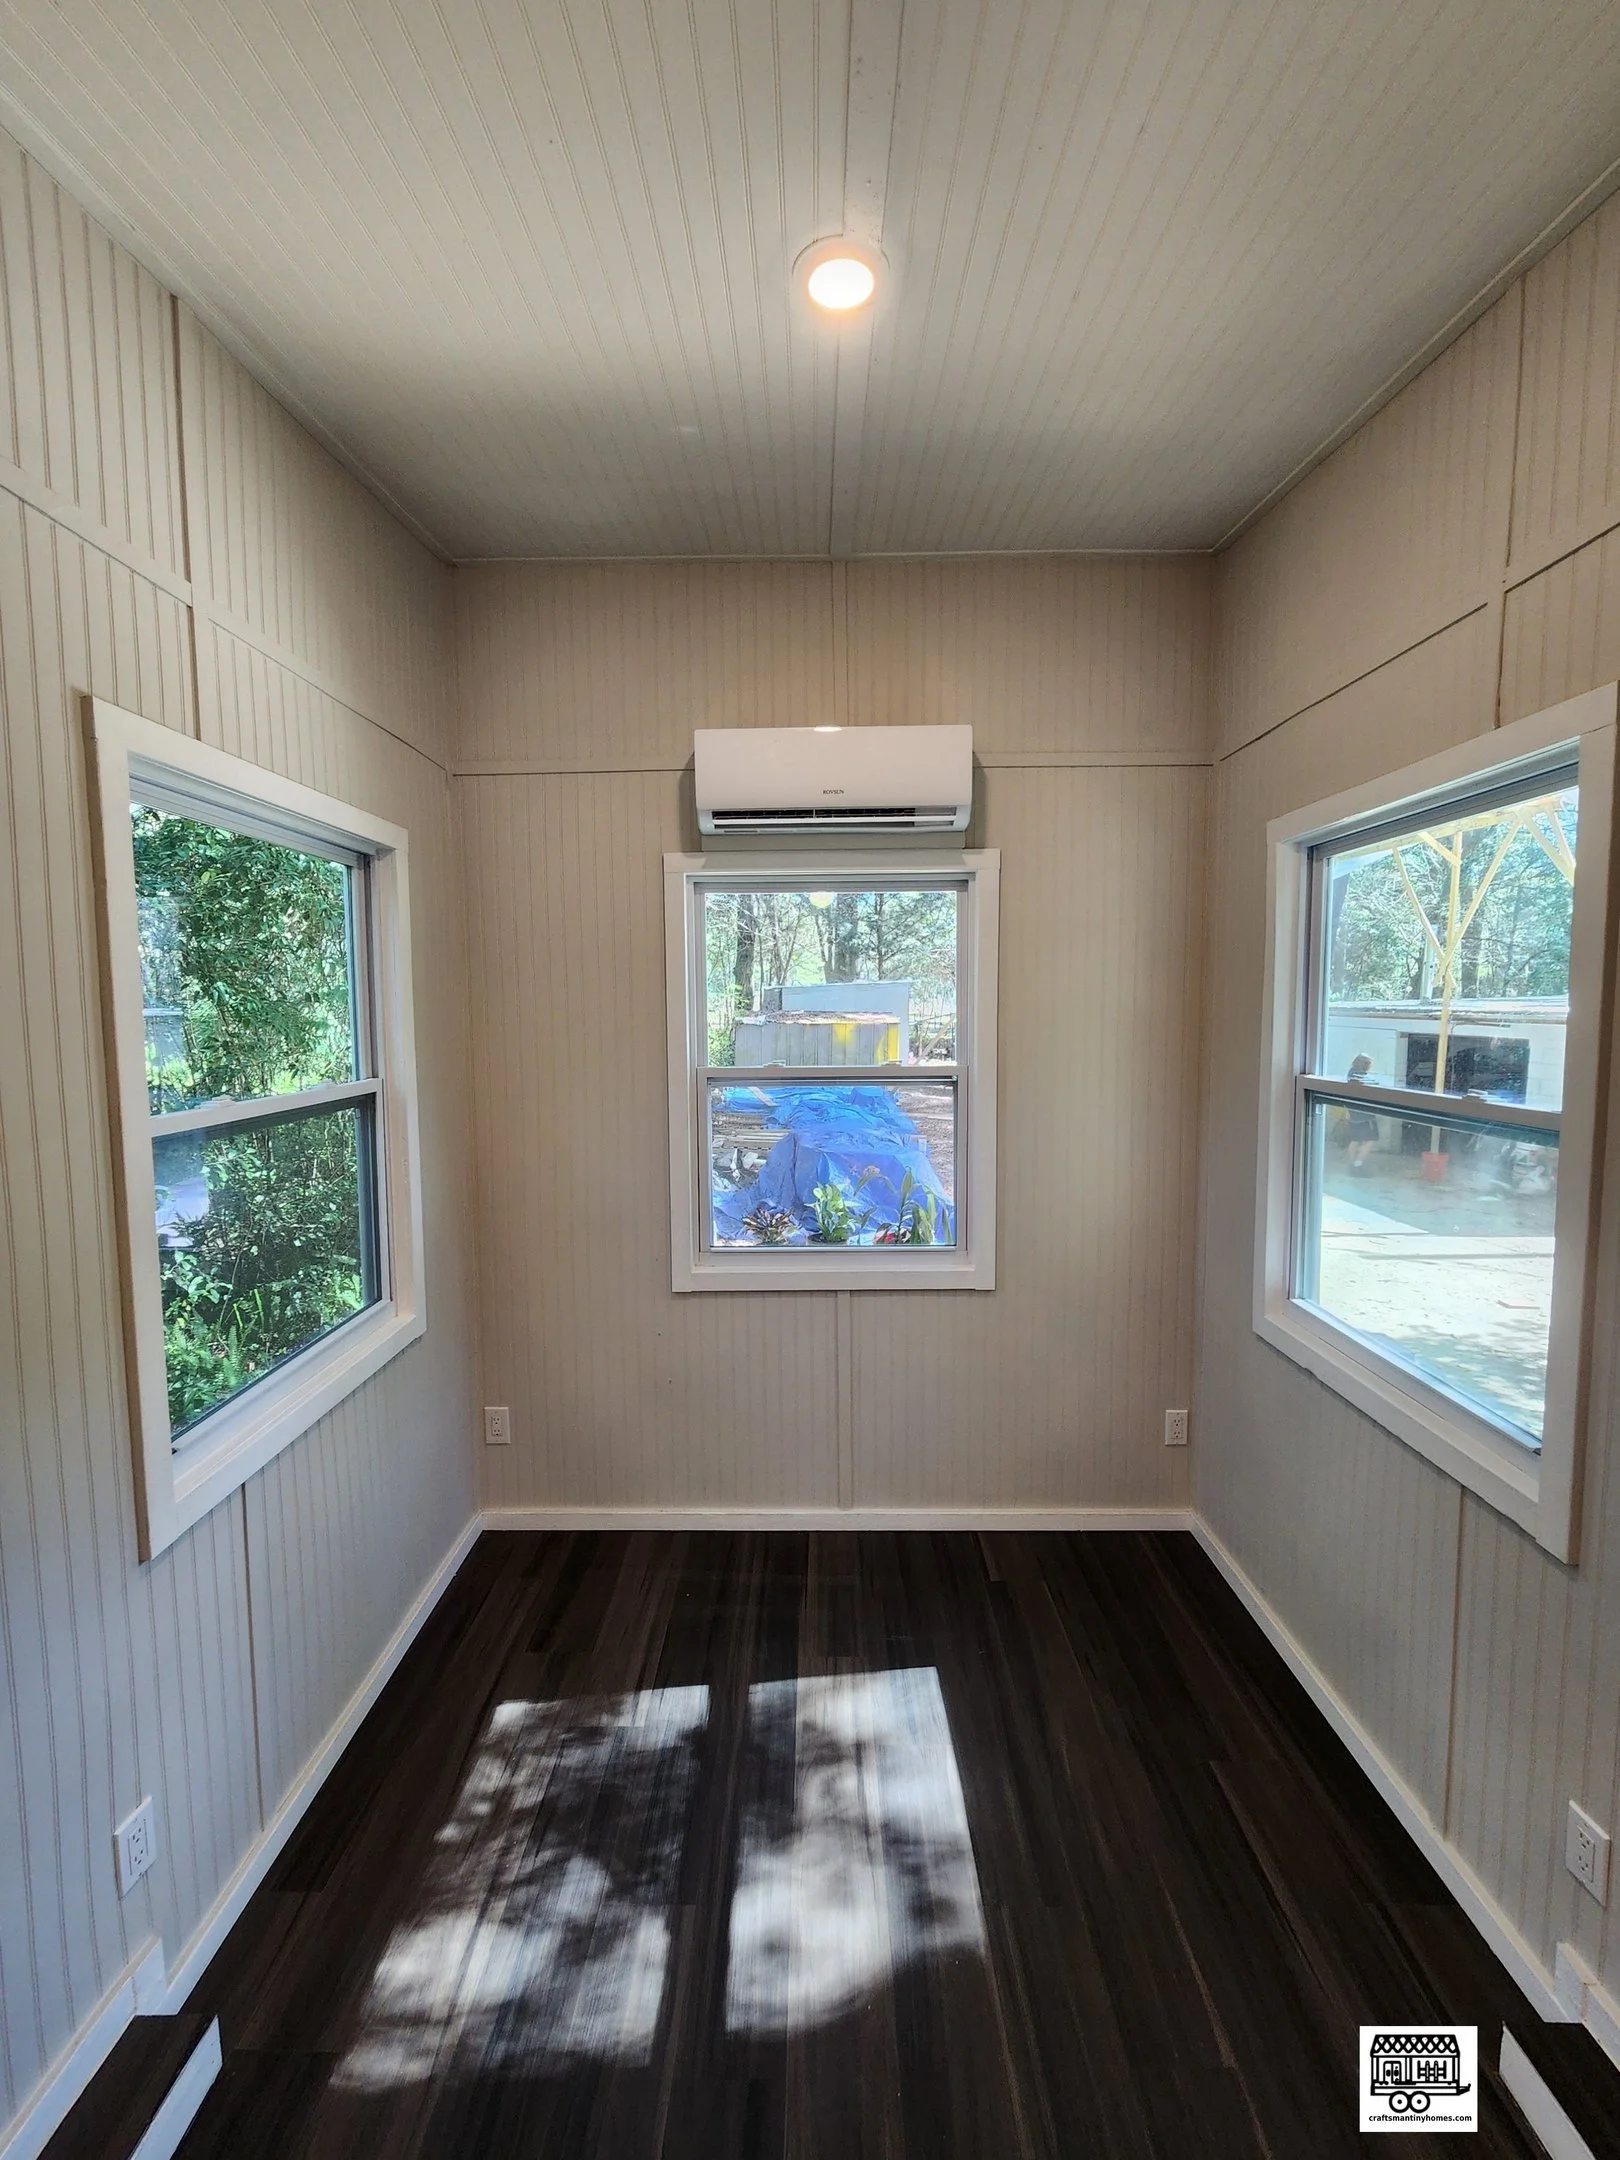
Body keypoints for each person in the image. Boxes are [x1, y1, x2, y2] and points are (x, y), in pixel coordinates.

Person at [1345, 1053, 1378, 1174]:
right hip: (1365, 1115)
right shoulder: (1362, 1077)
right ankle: (1358, 1164)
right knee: (1371, 1139)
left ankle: (1352, 1165)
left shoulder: (1350, 1074)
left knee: (1355, 1139)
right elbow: (1375, 1086)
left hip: (1352, 1113)